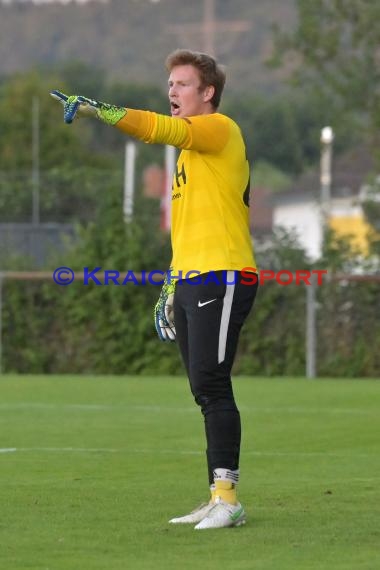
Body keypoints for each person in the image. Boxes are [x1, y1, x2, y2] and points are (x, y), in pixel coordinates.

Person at [51, 49, 258, 530]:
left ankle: (229, 500)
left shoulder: (219, 128)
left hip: (224, 274)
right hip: (190, 277)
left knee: (212, 383)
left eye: (182, 84)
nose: (172, 91)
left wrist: (99, 109)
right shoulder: (191, 153)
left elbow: (160, 130)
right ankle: (217, 495)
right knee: (203, 391)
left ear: (207, 93)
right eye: (170, 84)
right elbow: (188, 228)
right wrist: (170, 282)